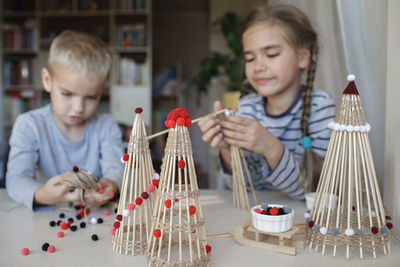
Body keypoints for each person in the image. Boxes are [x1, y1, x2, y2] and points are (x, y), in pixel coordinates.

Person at [198, 5, 336, 200]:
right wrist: (228, 150)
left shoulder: (320, 107)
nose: (258, 66)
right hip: (257, 219)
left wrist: (271, 147)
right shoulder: (248, 107)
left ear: (303, 56)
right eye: (250, 58)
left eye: (271, 54)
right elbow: (243, 188)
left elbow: (317, 192)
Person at [6, 30, 124, 210]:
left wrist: (112, 184)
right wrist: (42, 195)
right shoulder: (29, 125)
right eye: (67, 94)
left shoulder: (105, 125)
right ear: (47, 80)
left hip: (96, 218)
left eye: (91, 97)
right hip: (45, 221)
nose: (78, 107)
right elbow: (16, 180)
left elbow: (117, 170)